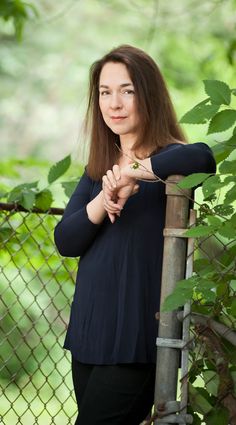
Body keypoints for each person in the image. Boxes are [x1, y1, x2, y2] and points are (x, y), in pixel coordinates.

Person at [54, 45, 216, 425]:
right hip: (91, 333)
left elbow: (204, 157)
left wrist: (134, 173)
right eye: (105, 92)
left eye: (127, 90)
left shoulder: (171, 159)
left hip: (137, 338)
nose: (115, 103)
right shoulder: (98, 169)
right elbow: (66, 241)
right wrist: (104, 197)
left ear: (149, 94)